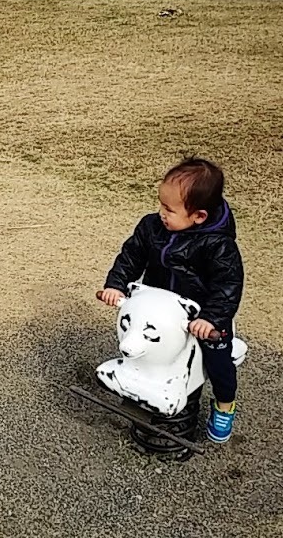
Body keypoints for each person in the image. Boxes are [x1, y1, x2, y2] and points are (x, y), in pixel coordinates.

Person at [99, 157, 244, 443]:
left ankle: (225, 404)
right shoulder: (151, 227)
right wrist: (115, 285)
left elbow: (228, 286)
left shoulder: (219, 246)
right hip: (159, 306)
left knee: (218, 359)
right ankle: (139, 385)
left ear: (198, 216)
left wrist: (211, 318)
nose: (161, 213)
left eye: (169, 209)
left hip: (200, 315)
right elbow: (132, 255)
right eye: (160, 204)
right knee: (141, 343)